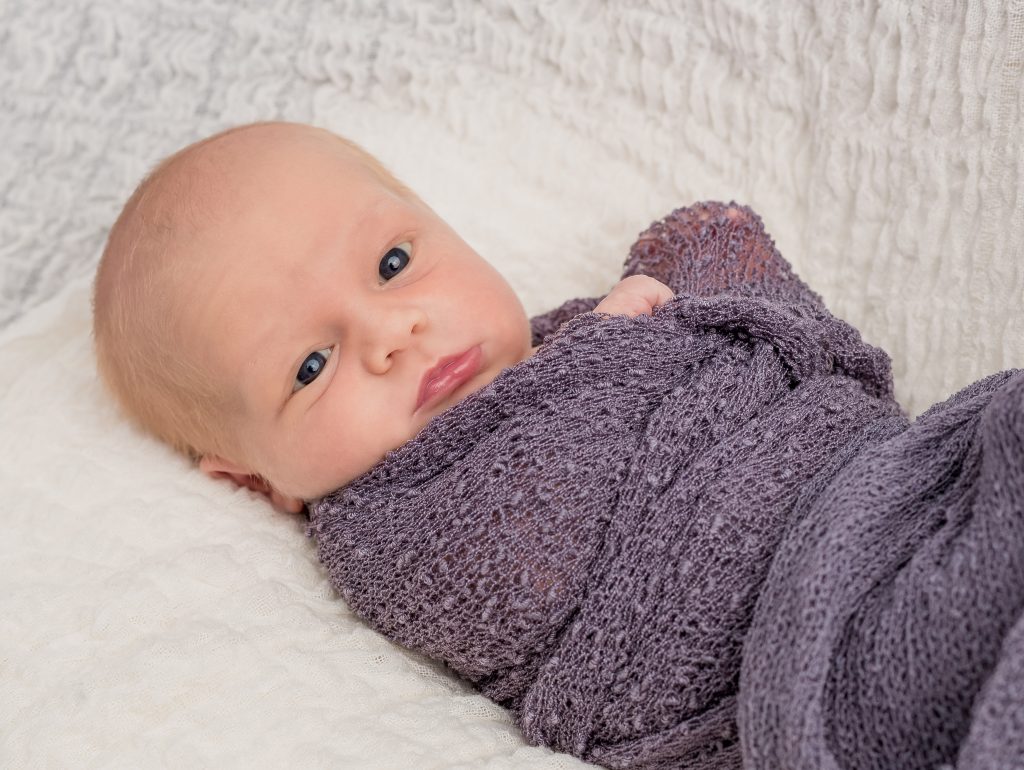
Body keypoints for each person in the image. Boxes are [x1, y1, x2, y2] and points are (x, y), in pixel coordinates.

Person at [91, 120, 675, 515]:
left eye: (393, 263)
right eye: (311, 366)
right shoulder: (396, 536)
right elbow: (543, 529)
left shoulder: (559, 335)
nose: (392, 333)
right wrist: (607, 356)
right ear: (254, 478)